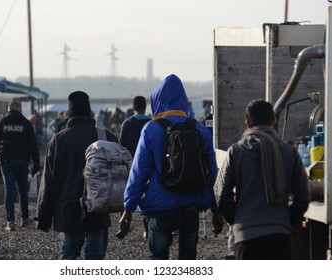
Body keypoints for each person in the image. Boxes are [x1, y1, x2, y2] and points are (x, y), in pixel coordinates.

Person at [120, 74, 223, 260]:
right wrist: (216, 210)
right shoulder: (199, 129)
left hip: (160, 205)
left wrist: (128, 208)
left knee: (158, 257)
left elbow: (139, 172)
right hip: (191, 202)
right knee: (188, 258)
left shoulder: (151, 129)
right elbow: (212, 172)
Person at [214, 99, 310, 260]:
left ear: (248, 124)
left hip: (246, 237)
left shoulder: (235, 152)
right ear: (273, 121)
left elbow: (221, 193)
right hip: (280, 236)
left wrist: (236, 218)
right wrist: (288, 220)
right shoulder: (289, 152)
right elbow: (303, 195)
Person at [36, 91, 118, 260]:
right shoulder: (105, 136)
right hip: (98, 209)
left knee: (69, 255)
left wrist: (43, 218)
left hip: (68, 209)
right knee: (95, 259)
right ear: (89, 112)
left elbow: (48, 181)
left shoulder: (58, 140)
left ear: (69, 113)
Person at [0, 101, 40, 231]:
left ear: (8, 108)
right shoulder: (26, 123)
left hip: (6, 160)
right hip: (22, 160)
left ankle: (10, 221)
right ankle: (24, 219)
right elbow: (33, 145)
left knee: (9, 189)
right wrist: (36, 164)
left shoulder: (2, 121)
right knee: (23, 190)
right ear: (19, 108)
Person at [119, 95, 151, 239]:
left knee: (128, 192)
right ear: (145, 107)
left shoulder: (127, 123)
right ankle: (146, 228)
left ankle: (125, 223)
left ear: (133, 108)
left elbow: (122, 146)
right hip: (148, 164)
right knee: (147, 195)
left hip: (130, 163)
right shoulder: (152, 123)